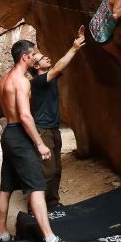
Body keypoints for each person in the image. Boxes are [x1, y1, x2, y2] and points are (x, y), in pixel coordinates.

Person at [0, 39, 76, 242]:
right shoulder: (21, 81)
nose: (35, 57)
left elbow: (8, 111)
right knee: (37, 187)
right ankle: (51, 240)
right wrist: (39, 143)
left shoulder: (4, 80)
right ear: (25, 57)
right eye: (34, 54)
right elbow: (24, 115)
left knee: (6, 188)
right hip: (20, 136)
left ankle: (2, 234)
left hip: (8, 133)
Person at [29, 25, 86, 209]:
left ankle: (52, 202)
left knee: (57, 169)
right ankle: (34, 205)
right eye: (41, 58)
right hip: (42, 129)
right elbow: (59, 66)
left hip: (53, 128)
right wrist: (74, 47)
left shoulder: (51, 77)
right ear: (36, 66)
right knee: (47, 169)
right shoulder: (37, 81)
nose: (46, 57)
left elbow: (58, 67)